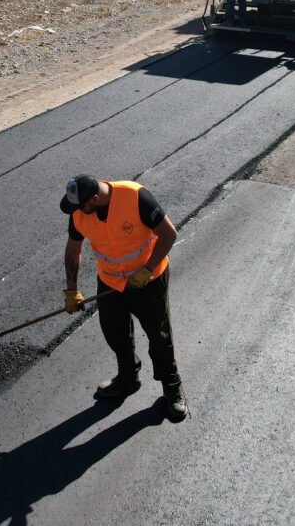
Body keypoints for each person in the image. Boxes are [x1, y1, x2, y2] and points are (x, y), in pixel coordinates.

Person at [60, 174, 186, 422]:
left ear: (95, 198)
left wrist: (147, 269)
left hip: (148, 281)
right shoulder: (79, 213)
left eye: (79, 206)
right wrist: (71, 290)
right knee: (115, 332)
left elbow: (168, 234)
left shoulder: (135, 197)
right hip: (110, 282)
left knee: (158, 336)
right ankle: (128, 378)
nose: (76, 212)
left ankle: (172, 387)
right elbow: (74, 248)